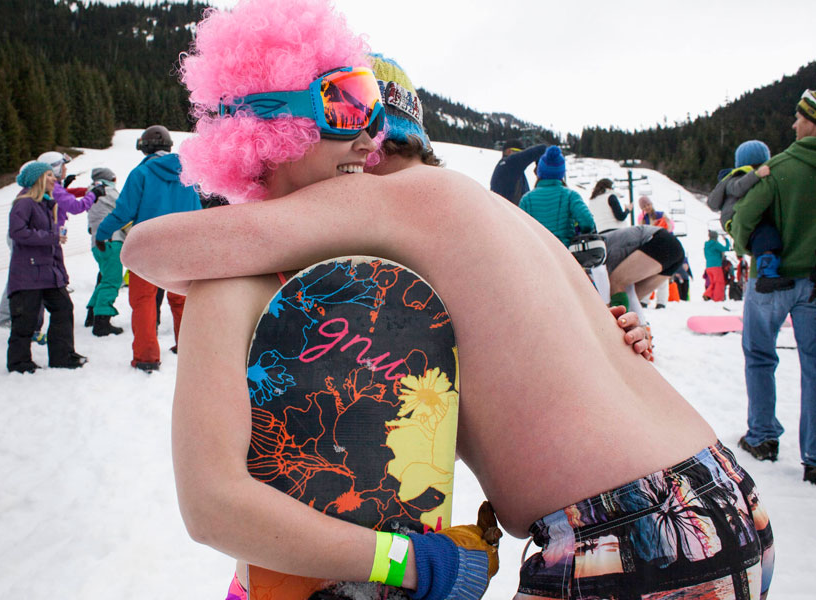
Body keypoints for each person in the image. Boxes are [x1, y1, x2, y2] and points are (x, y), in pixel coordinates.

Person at [121, 1, 774, 597]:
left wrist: (408, 564)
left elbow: (145, 249)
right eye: (344, 105)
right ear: (269, 122)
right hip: (717, 493)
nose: (367, 140)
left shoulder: (379, 203)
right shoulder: (457, 222)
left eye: (375, 113)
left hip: (635, 538)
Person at [731, 89, 816, 485]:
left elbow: (744, 218)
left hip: (771, 282)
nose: (794, 124)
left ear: (810, 123)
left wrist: (749, 245)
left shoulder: (780, 167)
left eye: (798, 118)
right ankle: (814, 457)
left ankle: (763, 437)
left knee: (760, 356)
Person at [95, 126, 201, 371]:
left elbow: (124, 211)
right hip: (183, 247)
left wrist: (102, 233)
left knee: (143, 300)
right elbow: (197, 212)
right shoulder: (189, 174)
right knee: (181, 299)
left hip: (149, 248)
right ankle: (186, 347)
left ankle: (146, 357)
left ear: (144, 147)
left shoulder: (141, 173)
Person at [6, 161, 87, 373]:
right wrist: (52, 237)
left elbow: (52, 244)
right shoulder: (24, 203)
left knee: (63, 308)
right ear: (38, 179)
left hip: (48, 273)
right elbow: (17, 232)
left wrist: (61, 273)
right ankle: (19, 363)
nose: (54, 179)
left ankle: (63, 355)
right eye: (49, 175)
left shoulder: (45, 203)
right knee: (26, 319)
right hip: (28, 273)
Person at [708, 140, 794, 294]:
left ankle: (769, 268)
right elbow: (737, 188)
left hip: (740, 216)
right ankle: (766, 274)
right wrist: (756, 175)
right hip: (734, 216)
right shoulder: (737, 177)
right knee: (765, 234)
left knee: (766, 234)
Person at [518, 146, 595, 247]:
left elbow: (519, 231)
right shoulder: (570, 196)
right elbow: (588, 222)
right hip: (564, 253)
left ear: (540, 172)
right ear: (561, 173)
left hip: (536, 255)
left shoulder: (526, 200)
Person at [85, 167, 125, 337]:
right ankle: (102, 322)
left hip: (97, 243)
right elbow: (125, 208)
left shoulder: (92, 193)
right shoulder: (108, 192)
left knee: (104, 277)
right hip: (111, 241)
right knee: (112, 280)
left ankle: (92, 315)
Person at [637, 195, 673, 308]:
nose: (647, 207)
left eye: (648, 204)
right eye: (644, 206)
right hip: (652, 248)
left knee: (662, 274)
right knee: (649, 274)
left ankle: (661, 301)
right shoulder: (643, 220)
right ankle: (644, 299)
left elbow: (670, 227)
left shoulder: (660, 215)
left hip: (664, 245)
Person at [489, 140, 546, 206]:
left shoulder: (515, 172)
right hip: (507, 214)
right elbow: (542, 149)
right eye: (519, 152)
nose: (521, 156)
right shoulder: (507, 165)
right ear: (508, 151)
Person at [703, 230, 732, 302]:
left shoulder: (706, 245)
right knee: (719, 282)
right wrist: (726, 240)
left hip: (708, 266)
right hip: (716, 266)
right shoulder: (715, 244)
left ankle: (707, 294)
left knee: (713, 282)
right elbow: (726, 248)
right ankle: (718, 298)